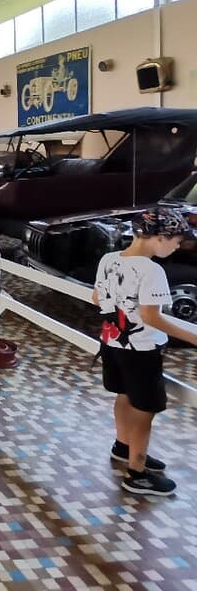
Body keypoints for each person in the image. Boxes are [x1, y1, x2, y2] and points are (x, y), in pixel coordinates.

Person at [92, 206, 197, 496]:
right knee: (145, 410)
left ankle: (123, 446)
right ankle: (137, 473)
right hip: (141, 350)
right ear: (160, 237)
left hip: (112, 343)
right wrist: (191, 336)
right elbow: (152, 317)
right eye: (176, 242)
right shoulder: (152, 270)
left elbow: (97, 296)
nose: (176, 248)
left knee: (124, 396)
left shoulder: (109, 259)